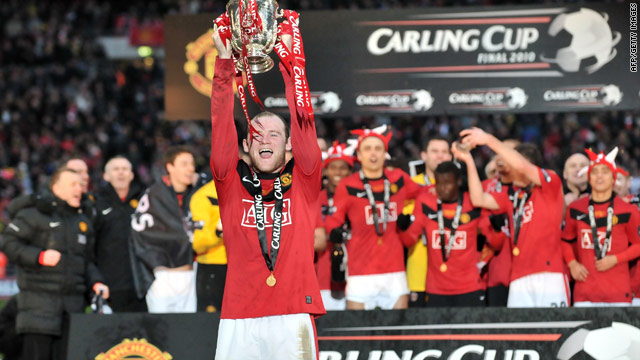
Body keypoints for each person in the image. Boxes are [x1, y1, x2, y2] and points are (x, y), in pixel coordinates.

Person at [210, 19, 325, 360]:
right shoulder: (230, 185)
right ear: (246, 145)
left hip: (292, 313)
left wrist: (291, 61)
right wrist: (223, 62)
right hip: (237, 316)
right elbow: (220, 129)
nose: (264, 138)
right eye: (256, 134)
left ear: (288, 145)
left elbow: (304, 121)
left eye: (274, 134)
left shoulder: (304, 181)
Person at [0, 167, 108, 360]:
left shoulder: (82, 221)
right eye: (73, 184)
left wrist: (96, 282)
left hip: (72, 311)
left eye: (81, 185)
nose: (79, 189)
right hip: (38, 312)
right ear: (57, 187)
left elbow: (87, 261)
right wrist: (38, 256)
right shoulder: (33, 215)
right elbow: (7, 242)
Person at [454, 127, 568, 308]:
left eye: (510, 163)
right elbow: (478, 198)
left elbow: (522, 165)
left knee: (554, 332)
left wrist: (489, 139)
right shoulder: (512, 195)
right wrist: (468, 161)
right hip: (518, 277)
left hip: (549, 274)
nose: (506, 168)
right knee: (521, 335)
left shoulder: (550, 183)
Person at [326, 126, 422, 310]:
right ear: (359, 155)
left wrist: (411, 222)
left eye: (378, 148)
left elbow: (426, 197)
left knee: (397, 336)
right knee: (358, 335)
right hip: (359, 272)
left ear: (385, 154)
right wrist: (334, 232)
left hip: (395, 272)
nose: (373, 153)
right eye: (368, 148)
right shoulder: (347, 185)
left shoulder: (399, 179)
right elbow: (333, 220)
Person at [400, 161, 492, 307]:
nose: (443, 188)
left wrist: (497, 227)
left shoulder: (472, 203)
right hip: (435, 288)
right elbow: (408, 241)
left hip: (469, 287)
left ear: (459, 181)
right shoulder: (426, 202)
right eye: (439, 184)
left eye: (448, 183)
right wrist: (403, 227)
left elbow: (495, 241)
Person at [562, 148, 640, 306]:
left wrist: (616, 259)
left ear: (613, 178)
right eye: (594, 172)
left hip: (618, 294)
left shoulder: (629, 210)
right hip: (585, 294)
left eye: (605, 171)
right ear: (589, 178)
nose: (599, 176)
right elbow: (565, 240)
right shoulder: (575, 208)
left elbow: (638, 245)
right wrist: (572, 263)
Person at [129, 146, 198, 313]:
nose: (190, 168)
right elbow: (139, 233)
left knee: (190, 332)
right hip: (163, 277)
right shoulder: (154, 194)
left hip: (192, 273)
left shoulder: (198, 194)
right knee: (162, 333)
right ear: (170, 167)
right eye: (184, 164)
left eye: (192, 163)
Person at [93, 156, 147, 312]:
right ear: (106, 175)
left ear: (131, 174)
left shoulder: (145, 201)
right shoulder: (96, 202)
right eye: (116, 169)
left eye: (125, 169)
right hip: (109, 282)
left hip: (140, 283)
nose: (121, 173)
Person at [404, 137, 451, 307]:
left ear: (451, 157)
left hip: (451, 274)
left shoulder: (458, 187)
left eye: (444, 152)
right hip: (419, 272)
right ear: (423, 155)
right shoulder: (410, 186)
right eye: (435, 151)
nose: (440, 156)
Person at [317, 141, 354, 310]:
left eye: (343, 168)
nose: (338, 172)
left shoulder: (360, 198)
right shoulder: (315, 199)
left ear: (350, 171)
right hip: (322, 277)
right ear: (325, 171)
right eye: (333, 167)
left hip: (355, 277)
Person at [190, 178, 227, 313]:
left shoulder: (251, 191)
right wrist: (218, 233)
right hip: (213, 268)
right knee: (210, 325)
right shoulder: (204, 196)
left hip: (245, 268)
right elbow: (197, 244)